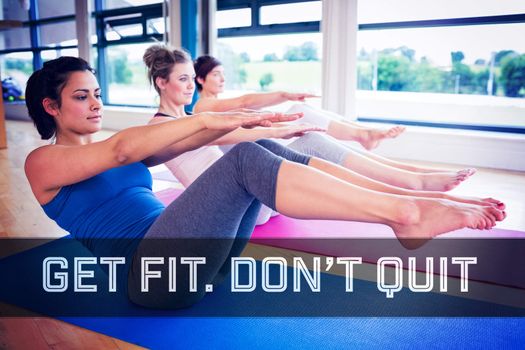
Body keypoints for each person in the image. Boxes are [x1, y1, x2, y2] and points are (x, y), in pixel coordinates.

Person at [25, 56, 504, 309]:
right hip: (152, 277)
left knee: (258, 150)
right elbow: (124, 149)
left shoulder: (115, 145)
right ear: (51, 106)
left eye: (99, 94)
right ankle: (407, 214)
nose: (95, 104)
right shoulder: (42, 164)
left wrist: (264, 123)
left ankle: (404, 198)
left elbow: (189, 141)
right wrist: (224, 118)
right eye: (82, 96)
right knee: (244, 162)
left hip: (196, 261)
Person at [148, 46, 494, 226]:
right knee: (302, 139)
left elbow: (230, 129)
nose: (190, 86)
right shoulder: (159, 128)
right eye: (182, 79)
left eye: (192, 78)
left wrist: (280, 122)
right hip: (231, 213)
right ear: (161, 82)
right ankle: (412, 191)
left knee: (308, 139)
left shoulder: (193, 116)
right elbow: (219, 136)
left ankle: (413, 187)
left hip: (247, 199)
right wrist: (282, 127)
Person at [193, 54, 477, 191]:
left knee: (305, 117)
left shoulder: (215, 106)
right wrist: (283, 95)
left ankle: (415, 172)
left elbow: (245, 106)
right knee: (301, 113)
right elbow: (244, 102)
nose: (222, 78)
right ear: (200, 80)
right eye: (215, 74)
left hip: (258, 153)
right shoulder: (204, 106)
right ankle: (368, 138)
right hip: (252, 166)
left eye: (222, 73)